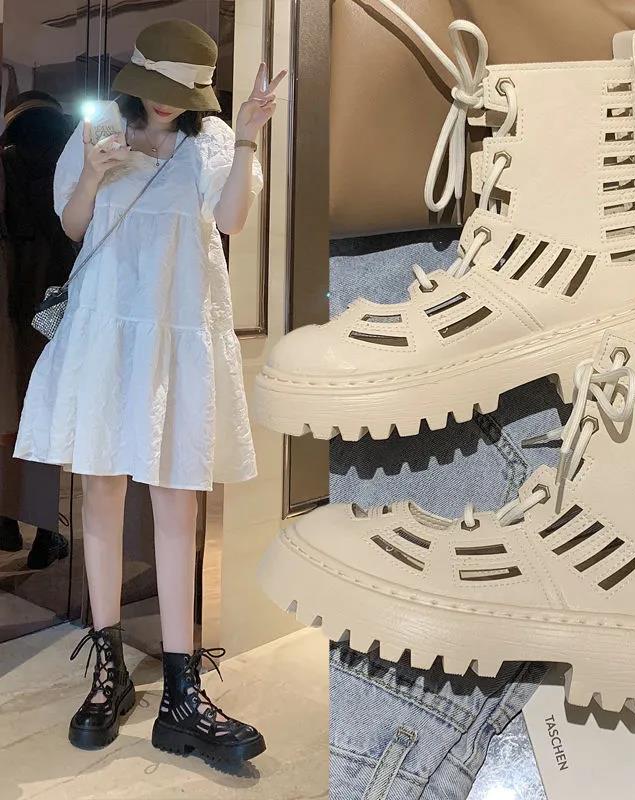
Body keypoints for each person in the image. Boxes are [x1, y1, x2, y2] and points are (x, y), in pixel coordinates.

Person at [13, 19, 282, 764]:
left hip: (178, 330)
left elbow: (231, 221)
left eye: (181, 93)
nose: (166, 104)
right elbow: (72, 226)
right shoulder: (100, 131)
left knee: (176, 499)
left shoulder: (212, 140)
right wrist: (95, 173)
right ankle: (109, 674)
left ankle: (182, 695)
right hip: (106, 330)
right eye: (157, 88)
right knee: (100, 494)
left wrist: (250, 136)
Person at [0, 91, 73, 568]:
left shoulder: (5, 164)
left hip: (9, 304)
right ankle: (46, 535)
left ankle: (6, 520)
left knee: (10, 416)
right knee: (45, 416)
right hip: (52, 304)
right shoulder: (68, 163)